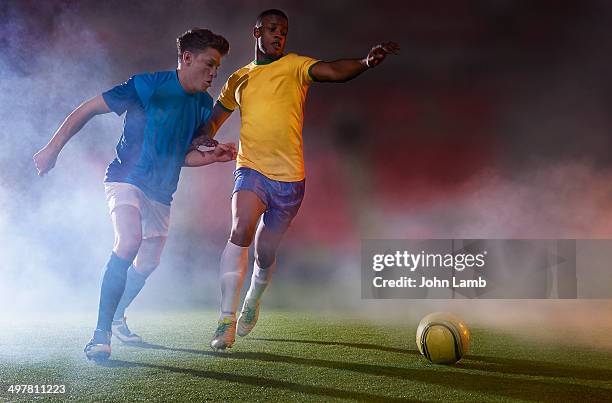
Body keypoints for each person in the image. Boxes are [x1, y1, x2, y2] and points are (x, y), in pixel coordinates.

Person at [190, 9, 399, 350]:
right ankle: (225, 320)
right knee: (241, 227)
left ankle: (252, 302)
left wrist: (364, 62)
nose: (278, 36)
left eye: (284, 32)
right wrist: (203, 138)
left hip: (289, 180)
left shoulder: (296, 66)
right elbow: (213, 121)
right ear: (257, 30)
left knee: (265, 252)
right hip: (251, 169)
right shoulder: (238, 79)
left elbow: (332, 70)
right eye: (273, 29)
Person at [33, 28, 236, 361]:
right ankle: (100, 336)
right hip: (125, 178)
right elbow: (88, 108)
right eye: (209, 64)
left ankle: (117, 314)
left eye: (218, 67)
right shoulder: (147, 85)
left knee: (148, 262)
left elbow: (181, 155)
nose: (215, 73)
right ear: (187, 58)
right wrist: (53, 149)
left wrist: (210, 157)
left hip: (160, 195)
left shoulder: (202, 104)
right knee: (128, 240)